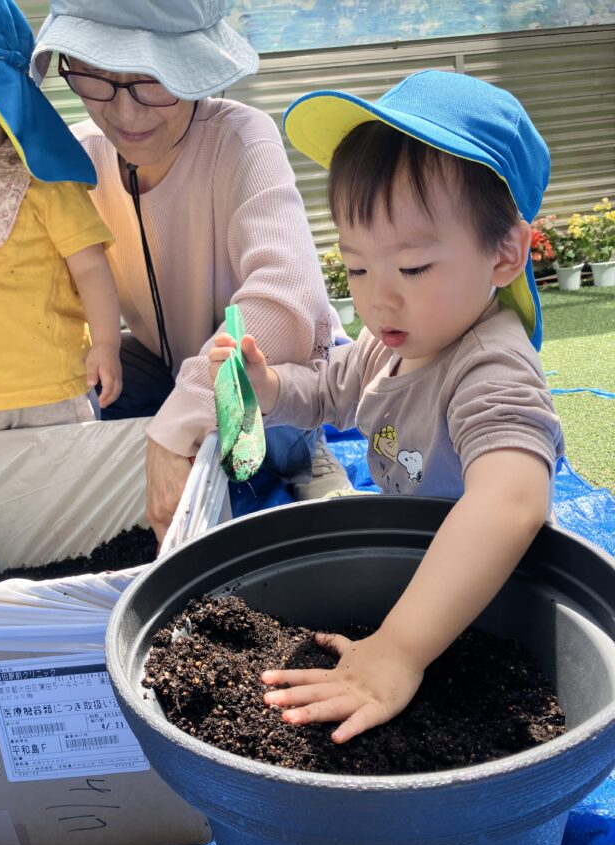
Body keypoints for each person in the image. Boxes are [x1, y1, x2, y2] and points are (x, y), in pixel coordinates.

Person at [209, 71, 565, 743]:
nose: (378, 299)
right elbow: (329, 390)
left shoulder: (491, 369)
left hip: (488, 593)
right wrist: (269, 387)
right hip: (413, 573)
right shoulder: (391, 341)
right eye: (358, 267)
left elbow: (510, 504)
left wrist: (398, 650)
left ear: (504, 254)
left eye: (413, 268)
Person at [30, 0, 350, 543]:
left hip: (277, 367)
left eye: (153, 80)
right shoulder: (79, 160)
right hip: (165, 362)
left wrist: (179, 422)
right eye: (96, 75)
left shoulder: (241, 139)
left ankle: (307, 458)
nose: (126, 115)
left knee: (269, 420)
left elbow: (290, 299)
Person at [0, 0, 122, 433]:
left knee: (68, 476)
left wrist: (107, 344)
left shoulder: (45, 180)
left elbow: (91, 267)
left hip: (51, 389)